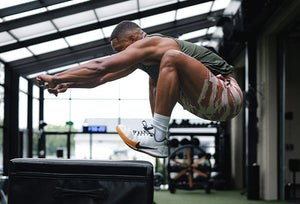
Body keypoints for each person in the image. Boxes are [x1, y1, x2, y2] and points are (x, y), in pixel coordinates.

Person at [36, 20, 243, 158]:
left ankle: (157, 135)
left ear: (134, 39)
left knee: (170, 58)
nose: (120, 55)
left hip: (228, 94)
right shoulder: (143, 60)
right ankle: (159, 136)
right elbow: (102, 78)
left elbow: (102, 66)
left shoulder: (154, 43)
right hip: (205, 103)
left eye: (120, 50)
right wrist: (68, 83)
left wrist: (56, 77)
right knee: (156, 77)